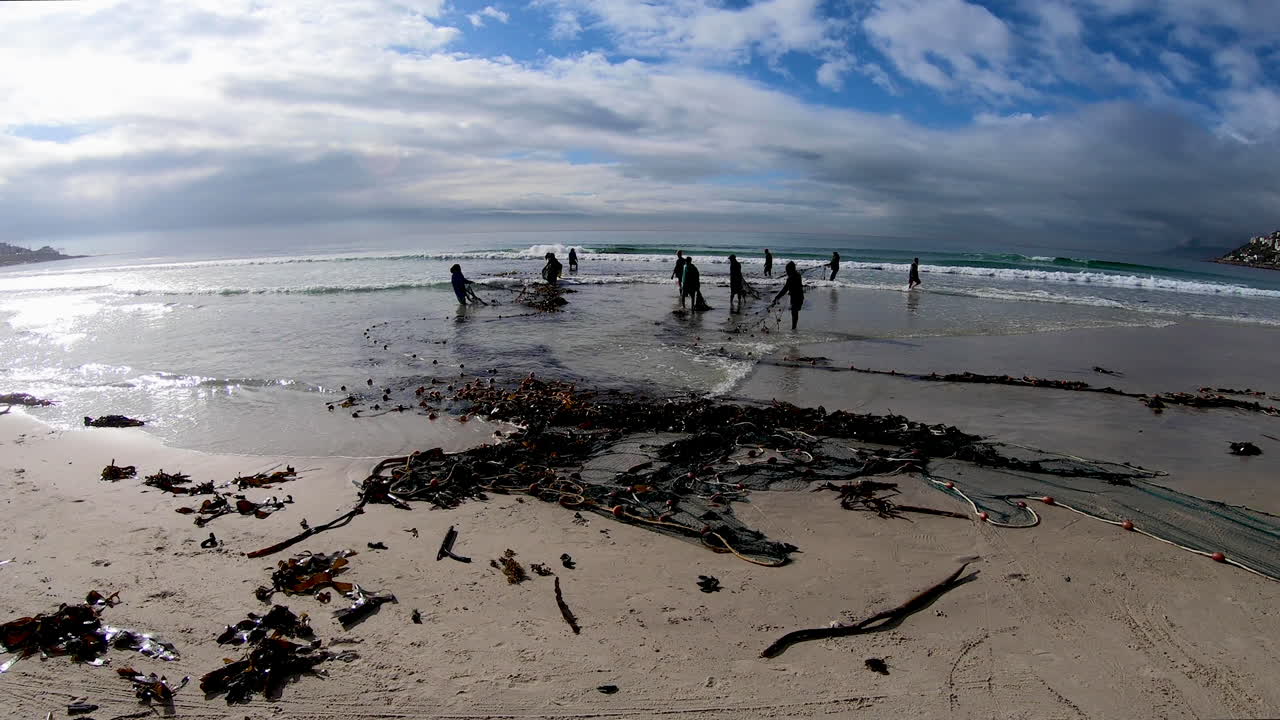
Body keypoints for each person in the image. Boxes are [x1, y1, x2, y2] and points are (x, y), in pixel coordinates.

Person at [771, 261, 804, 330]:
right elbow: (796, 286)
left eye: (787, 270)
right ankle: (794, 328)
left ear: (791, 270)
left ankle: (793, 328)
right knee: (795, 313)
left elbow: (785, 289)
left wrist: (777, 298)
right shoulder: (798, 275)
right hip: (800, 296)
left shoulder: (790, 278)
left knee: (794, 313)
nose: (786, 272)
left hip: (795, 297)